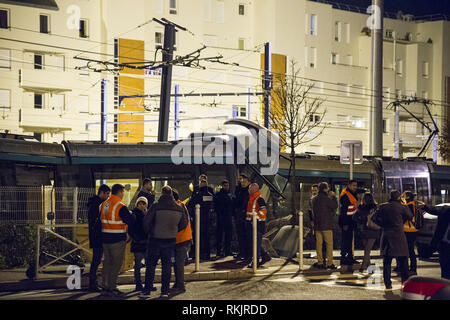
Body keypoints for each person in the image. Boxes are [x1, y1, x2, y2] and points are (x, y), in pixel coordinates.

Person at [140, 186, 187, 299]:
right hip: (170, 240)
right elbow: (184, 224)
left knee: (151, 266)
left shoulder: (156, 206)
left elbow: (146, 222)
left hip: (155, 240)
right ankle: (164, 291)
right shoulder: (179, 208)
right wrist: (174, 230)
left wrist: (151, 232)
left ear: (162, 193)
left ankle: (147, 291)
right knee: (166, 266)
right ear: (171, 194)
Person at [372, 190, 413, 290]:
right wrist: (405, 204)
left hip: (387, 236)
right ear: (399, 197)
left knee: (387, 263)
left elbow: (374, 218)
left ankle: (388, 284)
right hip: (399, 236)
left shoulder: (382, 206)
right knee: (403, 262)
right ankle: (405, 283)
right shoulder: (402, 207)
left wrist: (383, 225)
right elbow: (410, 216)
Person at [99, 184, 135, 297]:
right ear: (119, 192)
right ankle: (112, 287)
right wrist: (132, 214)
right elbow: (130, 220)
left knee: (107, 263)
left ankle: (104, 286)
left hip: (105, 238)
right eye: (123, 192)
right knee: (116, 264)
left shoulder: (103, 204)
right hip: (117, 239)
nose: (123, 194)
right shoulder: (120, 205)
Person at [87, 184, 110, 292]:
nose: (107, 196)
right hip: (99, 237)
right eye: (106, 194)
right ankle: (93, 284)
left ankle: (95, 284)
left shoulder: (94, 204)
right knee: (96, 261)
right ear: (101, 192)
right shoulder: (98, 205)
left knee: (97, 261)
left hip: (97, 236)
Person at [128, 196, 155, 292]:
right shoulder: (133, 214)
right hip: (138, 243)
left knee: (149, 265)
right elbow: (130, 229)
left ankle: (149, 284)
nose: (142, 205)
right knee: (138, 265)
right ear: (137, 204)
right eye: (140, 203)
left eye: (144, 203)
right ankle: (138, 284)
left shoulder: (148, 214)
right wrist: (136, 239)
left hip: (147, 243)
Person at [419, 203, 450, 280]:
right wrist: (425, 206)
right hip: (445, 245)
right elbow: (435, 210)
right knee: (445, 271)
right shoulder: (446, 210)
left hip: (445, 245)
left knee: (445, 270)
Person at [311, 182, 338, 270]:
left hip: (317, 225)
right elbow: (335, 206)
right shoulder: (326, 198)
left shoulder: (314, 199)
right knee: (329, 244)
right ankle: (330, 263)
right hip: (327, 225)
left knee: (319, 244)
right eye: (327, 188)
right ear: (325, 189)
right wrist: (334, 197)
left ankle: (320, 262)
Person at [187, 177, 214, 261]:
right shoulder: (210, 195)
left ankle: (200, 254)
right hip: (208, 219)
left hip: (199, 220)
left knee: (199, 237)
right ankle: (207, 254)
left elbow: (189, 204)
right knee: (207, 237)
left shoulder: (198, 195)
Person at [352, 192, 380, 272]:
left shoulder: (361, 208)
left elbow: (354, 217)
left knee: (366, 249)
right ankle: (364, 266)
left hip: (364, 229)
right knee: (367, 250)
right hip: (373, 230)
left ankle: (367, 266)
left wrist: (362, 221)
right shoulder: (375, 208)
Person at [172, 190, 193, 295]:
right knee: (177, 263)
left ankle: (180, 285)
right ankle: (177, 283)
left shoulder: (179, 207)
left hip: (182, 239)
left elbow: (183, 223)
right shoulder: (180, 206)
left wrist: (172, 230)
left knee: (179, 264)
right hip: (182, 238)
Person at [245, 183, 271, 268]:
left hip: (257, 226)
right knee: (256, 243)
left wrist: (255, 219)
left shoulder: (259, 199)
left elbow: (263, 211)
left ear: (254, 189)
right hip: (251, 225)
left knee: (255, 244)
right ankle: (265, 256)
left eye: (250, 188)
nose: (248, 190)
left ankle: (255, 261)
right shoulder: (252, 199)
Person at [339, 180, 360, 266]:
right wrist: (344, 224)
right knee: (346, 240)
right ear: (349, 185)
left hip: (351, 221)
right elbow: (344, 211)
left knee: (349, 239)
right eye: (353, 185)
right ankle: (345, 257)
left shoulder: (350, 194)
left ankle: (349, 257)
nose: (355, 187)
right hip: (347, 221)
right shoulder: (345, 195)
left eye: (356, 185)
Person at [401, 191, 422, 275]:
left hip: (409, 230)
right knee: (410, 250)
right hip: (413, 230)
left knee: (409, 250)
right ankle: (412, 268)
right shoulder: (412, 204)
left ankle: (412, 268)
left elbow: (407, 217)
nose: (402, 196)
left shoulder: (409, 205)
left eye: (404, 195)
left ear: (408, 197)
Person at [214, 180, 234, 257]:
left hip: (227, 217)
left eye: (227, 185)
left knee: (228, 235)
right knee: (220, 235)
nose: (226, 187)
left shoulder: (229, 195)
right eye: (225, 186)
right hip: (221, 217)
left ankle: (226, 250)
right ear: (222, 186)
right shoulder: (220, 195)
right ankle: (220, 251)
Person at [233, 173, 251, 261]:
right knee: (240, 235)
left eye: (244, 180)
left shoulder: (248, 191)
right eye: (241, 180)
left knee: (246, 236)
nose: (242, 182)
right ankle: (242, 252)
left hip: (245, 216)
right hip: (239, 216)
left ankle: (247, 254)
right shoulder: (240, 190)